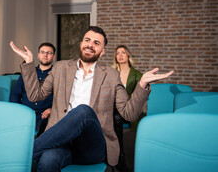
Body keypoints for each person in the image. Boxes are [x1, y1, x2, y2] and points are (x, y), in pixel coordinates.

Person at [10, 26, 173, 172]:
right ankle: (28, 152)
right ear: (81, 44)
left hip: (92, 145)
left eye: (96, 43)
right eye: (87, 40)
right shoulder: (60, 68)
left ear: (102, 51)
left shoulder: (111, 75)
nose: (90, 44)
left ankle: (23, 152)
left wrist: (142, 84)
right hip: (62, 142)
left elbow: (129, 114)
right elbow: (34, 96)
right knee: (47, 161)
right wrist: (29, 63)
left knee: (83, 110)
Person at [10, 42, 55, 137]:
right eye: (42, 52)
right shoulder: (28, 72)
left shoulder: (57, 74)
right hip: (25, 113)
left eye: (49, 53)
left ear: (53, 56)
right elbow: (15, 94)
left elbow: (62, 97)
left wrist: (53, 109)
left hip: (44, 116)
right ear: (38, 55)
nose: (45, 55)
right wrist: (18, 110)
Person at [111, 45, 143, 172]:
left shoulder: (137, 75)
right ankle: (118, 158)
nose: (120, 55)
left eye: (123, 52)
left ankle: (120, 158)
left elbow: (140, 96)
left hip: (129, 109)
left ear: (128, 56)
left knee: (116, 119)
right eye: (117, 53)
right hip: (113, 109)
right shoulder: (111, 73)